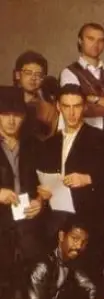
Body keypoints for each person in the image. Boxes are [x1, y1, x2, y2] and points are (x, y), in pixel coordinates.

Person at [36, 84, 104, 288]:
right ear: (58, 107)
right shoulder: (50, 143)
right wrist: (41, 192)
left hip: (88, 218)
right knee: (53, 278)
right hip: (55, 219)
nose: (72, 112)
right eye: (66, 106)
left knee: (86, 279)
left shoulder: (100, 138)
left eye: (76, 106)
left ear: (84, 107)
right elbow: (40, 178)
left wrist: (89, 178)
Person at [0, 86, 44, 265]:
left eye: (17, 115)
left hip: (29, 226)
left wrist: (40, 201)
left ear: (24, 117)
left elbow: (47, 182)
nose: (11, 121)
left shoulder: (34, 144)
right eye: (5, 114)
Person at [59, 22, 104, 131]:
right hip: (84, 135)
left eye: (101, 40)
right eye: (91, 39)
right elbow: (81, 109)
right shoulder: (69, 73)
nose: (96, 44)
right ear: (80, 41)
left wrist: (94, 99)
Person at [13, 51, 58, 140]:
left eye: (38, 74)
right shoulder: (5, 101)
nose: (33, 78)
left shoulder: (48, 109)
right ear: (17, 75)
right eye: (28, 73)